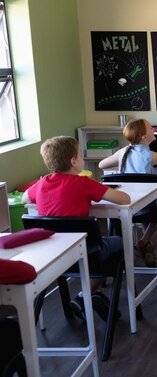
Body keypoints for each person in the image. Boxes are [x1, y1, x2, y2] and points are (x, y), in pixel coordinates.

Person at [22, 136, 130, 321]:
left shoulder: (41, 184)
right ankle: (85, 296)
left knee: (98, 248)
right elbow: (124, 199)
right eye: (80, 155)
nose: (81, 158)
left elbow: (25, 198)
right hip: (85, 254)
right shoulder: (83, 183)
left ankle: (87, 298)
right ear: (73, 161)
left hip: (52, 256)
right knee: (120, 244)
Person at [99, 118, 157, 267]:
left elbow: (102, 164)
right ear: (144, 137)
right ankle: (143, 241)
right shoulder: (153, 156)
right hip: (146, 204)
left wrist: (121, 160)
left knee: (150, 203)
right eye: (150, 128)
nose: (154, 129)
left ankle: (148, 246)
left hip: (128, 202)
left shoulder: (123, 152)